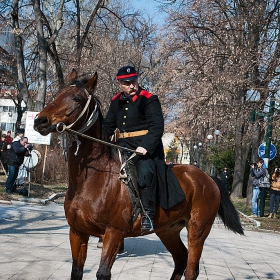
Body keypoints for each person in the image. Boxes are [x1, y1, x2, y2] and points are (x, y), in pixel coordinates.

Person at [103, 65, 165, 231]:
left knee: (145, 173)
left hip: (143, 149)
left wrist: (144, 146)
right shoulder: (116, 101)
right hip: (120, 147)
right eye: (127, 83)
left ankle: (147, 214)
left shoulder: (149, 99)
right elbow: (108, 126)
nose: (132, 85)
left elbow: (157, 128)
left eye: (134, 81)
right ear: (120, 84)